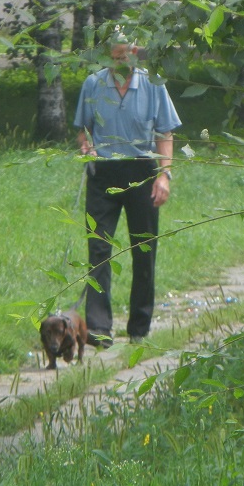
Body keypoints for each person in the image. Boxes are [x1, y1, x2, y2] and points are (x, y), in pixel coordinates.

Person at [74, 35, 182, 346]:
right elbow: (83, 129)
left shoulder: (153, 85)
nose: (120, 64)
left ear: (135, 54)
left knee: (143, 251)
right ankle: (98, 328)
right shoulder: (93, 85)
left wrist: (164, 176)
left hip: (142, 171)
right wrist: (87, 147)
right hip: (103, 172)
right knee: (99, 250)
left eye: (125, 58)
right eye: (114, 59)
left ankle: (139, 327)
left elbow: (165, 132)